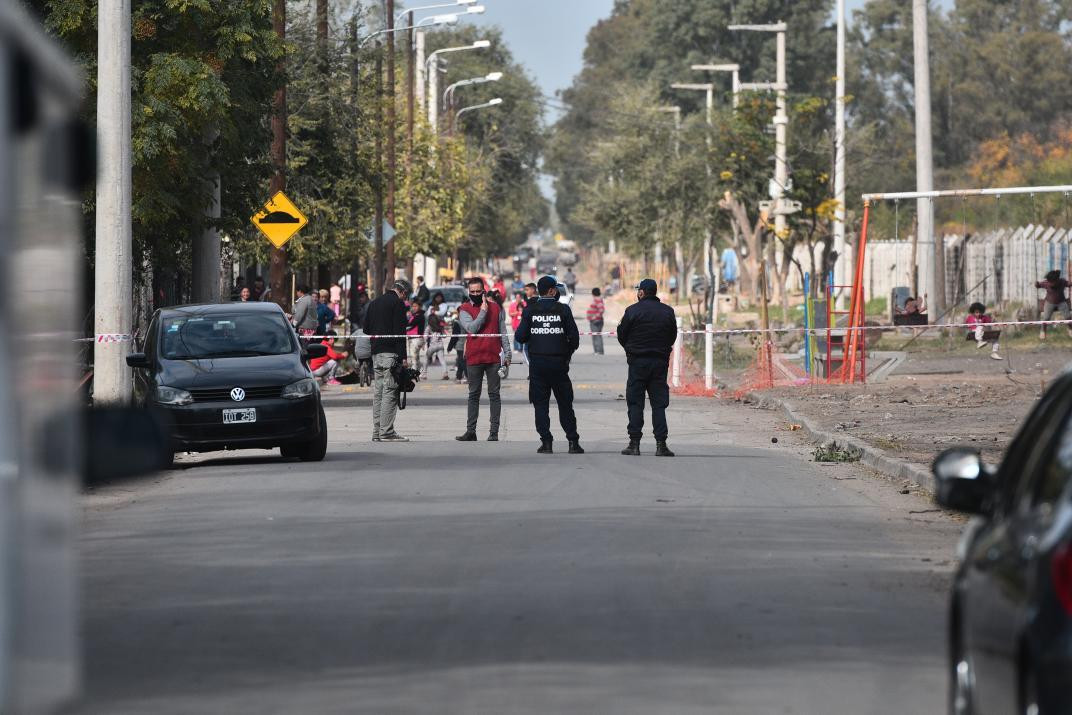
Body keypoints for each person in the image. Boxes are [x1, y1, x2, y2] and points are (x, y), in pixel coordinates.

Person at [515, 275, 582, 454]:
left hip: (538, 364)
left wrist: (534, 336)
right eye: (556, 289)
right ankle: (573, 442)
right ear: (551, 291)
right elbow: (574, 338)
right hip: (559, 364)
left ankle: (546, 442)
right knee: (565, 404)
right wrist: (566, 353)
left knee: (540, 405)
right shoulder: (563, 310)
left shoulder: (530, 310)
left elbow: (520, 336)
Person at [617, 278, 678, 457]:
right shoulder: (668, 312)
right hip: (659, 363)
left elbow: (622, 335)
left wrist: (631, 349)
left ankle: (634, 444)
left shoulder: (632, 311)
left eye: (638, 291)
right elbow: (672, 336)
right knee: (659, 404)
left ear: (642, 292)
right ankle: (661, 445)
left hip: (637, 362)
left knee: (635, 403)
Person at [456, 277, 511, 442]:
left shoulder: (496, 308)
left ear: (483, 291)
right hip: (474, 357)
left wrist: (507, 354)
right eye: (471, 292)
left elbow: (503, 333)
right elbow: (472, 328)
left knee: (494, 394)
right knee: (473, 394)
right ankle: (470, 431)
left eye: (477, 291)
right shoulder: (464, 309)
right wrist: (483, 311)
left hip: (494, 358)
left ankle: (494, 432)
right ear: (468, 292)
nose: (474, 294)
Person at [363, 279, 412, 442]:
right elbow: (399, 333)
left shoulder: (375, 302)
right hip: (391, 353)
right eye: (406, 297)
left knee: (378, 393)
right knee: (390, 392)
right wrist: (403, 357)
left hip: (376, 353)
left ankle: (377, 432)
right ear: (403, 292)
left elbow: (366, 329)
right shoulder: (397, 304)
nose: (405, 300)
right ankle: (387, 432)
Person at [1036, 269, 1072, 339]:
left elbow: (1068, 284)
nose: (1051, 284)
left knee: (1068, 317)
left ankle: (1070, 330)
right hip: (1049, 303)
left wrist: (1070, 283)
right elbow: (1038, 285)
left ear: (1057, 280)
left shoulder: (1062, 282)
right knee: (1046, 318)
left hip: (1061, 302)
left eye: (1053, 282)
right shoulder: (1046, 283)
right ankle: (1043, 332)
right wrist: (1036, 284)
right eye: (1050, 282)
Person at [424, 310, 450, 380]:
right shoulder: (440, 327)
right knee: (442, 360)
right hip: (440, 345)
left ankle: (424, 374)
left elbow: (425, 337)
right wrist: (443, 331)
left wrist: (424, 343)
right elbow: (445, 336)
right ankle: (445, 373)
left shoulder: (429, 327)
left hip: (432, 346)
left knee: (426, 358)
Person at [447, 311, 467, 383]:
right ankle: (458, 377)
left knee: (462, 361)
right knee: (460, 361)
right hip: (467, 344)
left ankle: (468, 376)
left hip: (460, 345)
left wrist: (449, 347)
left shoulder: (457, 323)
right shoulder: (468, 322)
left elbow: (454, 337)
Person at [405, 300, 426, 369]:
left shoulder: (420, 316)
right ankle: (419, 371)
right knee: (416, 357)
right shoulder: (413, 315)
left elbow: (410, 324)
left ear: (420, 307)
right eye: (413, 306)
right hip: (412, 338)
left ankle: (414, 372)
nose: (413, 308)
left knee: (413, 356)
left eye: (415, 306)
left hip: (416, 338)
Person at [586, 287, 606, 355]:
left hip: (596, 321)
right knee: (595, 335)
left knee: (597, 335)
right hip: (595, 320)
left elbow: (601, 310)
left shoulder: (598, 300)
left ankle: (599, 351)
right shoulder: (597, 299)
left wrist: (595, 317)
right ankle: (597, 351)